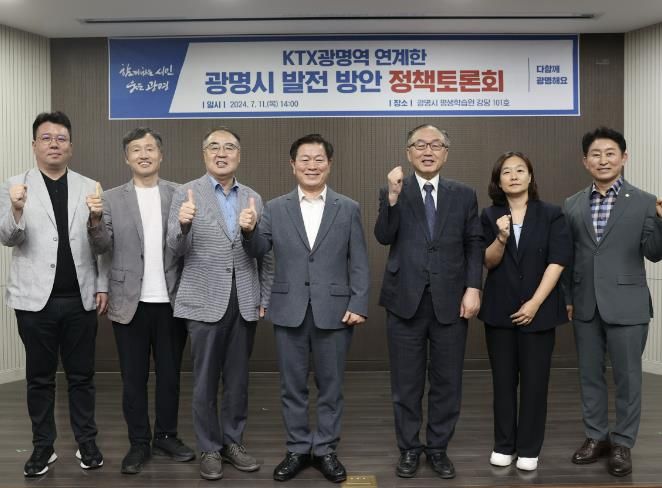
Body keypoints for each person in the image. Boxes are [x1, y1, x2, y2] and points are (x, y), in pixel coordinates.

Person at [240, 133, 369, 484]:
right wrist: (249, 231)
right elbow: (259, 250)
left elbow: (358, 260)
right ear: (293, 165)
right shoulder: (275, 207)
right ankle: (297, 448)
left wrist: (358, 302)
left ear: (329, 164)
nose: (312, 165)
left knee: (331, 386)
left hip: (336, 311)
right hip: (289, 308)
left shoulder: (348, 207)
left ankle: (325, 449)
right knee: (292, 386)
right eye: (304, 159)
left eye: (318, 159)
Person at [0, 111, 108, 477]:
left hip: (80, 299)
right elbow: (8, 237)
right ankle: (42, 447)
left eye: (61, 139)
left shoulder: (90, 186)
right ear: (34, 145)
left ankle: (87, 442)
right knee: (40, 379)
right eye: (46, 138)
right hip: (34, 302)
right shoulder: (14, 185)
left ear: (71, 147)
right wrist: (16, 209)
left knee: (82, 377)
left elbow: (102, 245)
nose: (54, 144)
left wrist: (96, 220)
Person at [374, 124, 483, 479]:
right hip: (404, 300)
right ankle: (409, 448)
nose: (428, 151)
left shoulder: (463, 194)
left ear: (446, 153)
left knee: (447, 381)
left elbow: (474, 243)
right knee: (406, 384)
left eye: (436, 145)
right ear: (408, 153)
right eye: (420, 145)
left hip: (451, 300)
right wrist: (392, 198)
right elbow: (383, 235)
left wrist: (473, 287)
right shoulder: (394, 190)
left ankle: (437, 449)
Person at [166, 127, 273, 481]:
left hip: (244, 299)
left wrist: (264, 295)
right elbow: (174, 249)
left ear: (239, 155)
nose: (222, 153)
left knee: (238, 381)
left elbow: (265, 254)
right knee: (205, 380)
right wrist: (183, 225)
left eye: (229, 147)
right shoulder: (186, 193)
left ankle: (233, 442)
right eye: (214, 147)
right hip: (202, 299)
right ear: (204, 154)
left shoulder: (253, 197)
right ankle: (209, 447)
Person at [86, 128, 194, 474]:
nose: (144, 154)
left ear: (161, 155)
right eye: (136, 149)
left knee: (170, 376)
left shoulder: (180, 194)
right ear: (126, 157)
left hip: (171, 301)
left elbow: (188, 247)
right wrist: (94, 219)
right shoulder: (110, 199)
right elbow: (102, 246)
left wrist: (187, 225)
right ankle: (138, 442)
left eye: (150, 149)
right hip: (129, 300)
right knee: (133, 379)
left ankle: (166, 436)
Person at [563, 127, 662, 477]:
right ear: (585, 161)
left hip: (628, 304)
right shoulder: (572, 204)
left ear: (623, 157)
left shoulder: (646, 201)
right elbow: (567, 257)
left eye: (610, 153)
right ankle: (596, 436)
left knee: (628, 378)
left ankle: (622, 443)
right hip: (585, 303)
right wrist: (568, 298)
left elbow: (655, 253)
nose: (603, 160)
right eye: (595, 154)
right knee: (589, 375)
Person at [479, 151, 572, 471]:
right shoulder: (489, 215)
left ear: (530, 177)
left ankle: (530, 448)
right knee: (503, 383)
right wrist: (501, 237)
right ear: (499, 180)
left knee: (535, 383)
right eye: (507, 171)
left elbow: (557, 261)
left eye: (520, 170)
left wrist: (534, 303)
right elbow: (488, 261)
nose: (514, 176)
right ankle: (504, 445)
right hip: (499, 311)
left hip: (540, 311)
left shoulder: (551, 214)